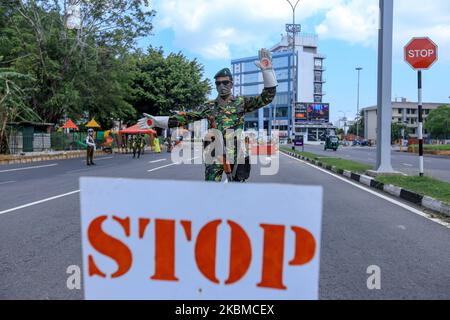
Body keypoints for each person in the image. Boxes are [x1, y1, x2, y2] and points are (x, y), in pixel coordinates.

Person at [139, 48, 277, 182]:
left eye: (225, 82)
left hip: (236, 152)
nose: (221, 86)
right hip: (214, 153)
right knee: (210, 190)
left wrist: (267, 71)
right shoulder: (209, 106)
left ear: (232, 84)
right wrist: (156, 121)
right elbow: (186, 117)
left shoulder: (241, 102)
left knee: (238, 191)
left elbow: (266, 97)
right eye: (218, 83)